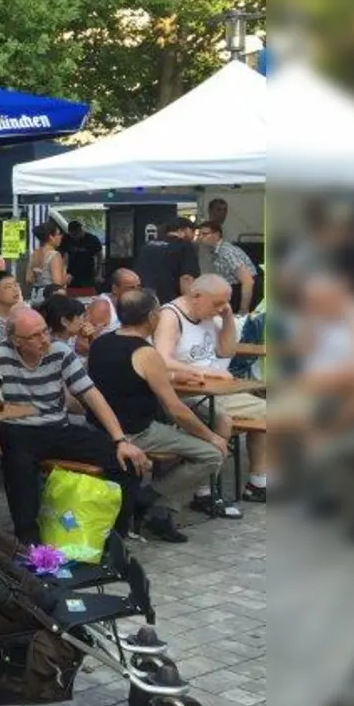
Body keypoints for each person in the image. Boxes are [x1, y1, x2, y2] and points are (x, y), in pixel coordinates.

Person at [0, 306, 150, 545]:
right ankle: (29, 543)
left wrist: (120, 440)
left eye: (45, 331)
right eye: (35, 336)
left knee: (125, 463)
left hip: (58, 428)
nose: (44, 339)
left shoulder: (60, 351)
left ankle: (112, 537)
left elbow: (91, 395)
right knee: (19, 470)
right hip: (18, 430)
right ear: (15, 341)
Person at [87, 289, 228, 543]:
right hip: (136, 433)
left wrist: (172, 376)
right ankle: (151, 497)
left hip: (99, 429)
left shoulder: (100, 343)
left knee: (180, 442)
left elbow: (126, 377)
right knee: (211, 454)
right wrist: (212, 436)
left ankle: (161, 511)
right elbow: (175, 408)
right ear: (152, 317)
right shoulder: (146, 352)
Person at [153, 273, 267, 508]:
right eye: (217, 303)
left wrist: (226, 318)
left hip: (218, 389)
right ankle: (205, 491)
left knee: (267, 412)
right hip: (186, 392)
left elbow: (227, 351)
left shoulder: (208, 315)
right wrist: (206, 373)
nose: (221, 308)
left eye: (225, 303)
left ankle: (258, 482)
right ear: (196, 296)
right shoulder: (171, 316)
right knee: (222, 420)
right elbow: (161, 359)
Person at [133, 218, 201, 306]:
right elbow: (186, 278)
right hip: (169, 302)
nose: (193, 236)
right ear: (183, 230)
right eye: (192, 231)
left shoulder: (147, 245)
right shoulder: (185, 246)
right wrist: (191, 304)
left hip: (142, 299)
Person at [196, 220, 258, 314]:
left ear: (217, 235)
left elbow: (248, 282)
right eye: (199, 234)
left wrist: (243, 310)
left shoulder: (227, 252)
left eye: (204, 234)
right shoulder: (216, 251)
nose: (200, 237)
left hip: (242, 291)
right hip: (234, 289)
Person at [86, 268, 142, 335]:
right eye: (130, 288)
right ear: (115, 289)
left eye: (138, 287)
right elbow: (85, 342)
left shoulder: (137, 304)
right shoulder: (102, 307)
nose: (136, 291)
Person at [27, 222, 67, 302]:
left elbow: (28, 279)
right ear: (51, 237)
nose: (61, 237)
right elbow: (57, 283)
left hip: (35, 296)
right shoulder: (54, 255)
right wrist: (66, 277)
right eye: (58, 234)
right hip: (50, 298)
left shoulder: (34, 254)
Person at [60, 221, 103, 292]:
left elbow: (99, 256)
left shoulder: (91, 239)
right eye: (72, 235)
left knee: (87, 293)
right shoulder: (66, 239)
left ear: (80, 231)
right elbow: (62, 254)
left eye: (75, 235)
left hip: (87, 274)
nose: (74, 238)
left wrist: (99, 273)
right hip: (71, 274)